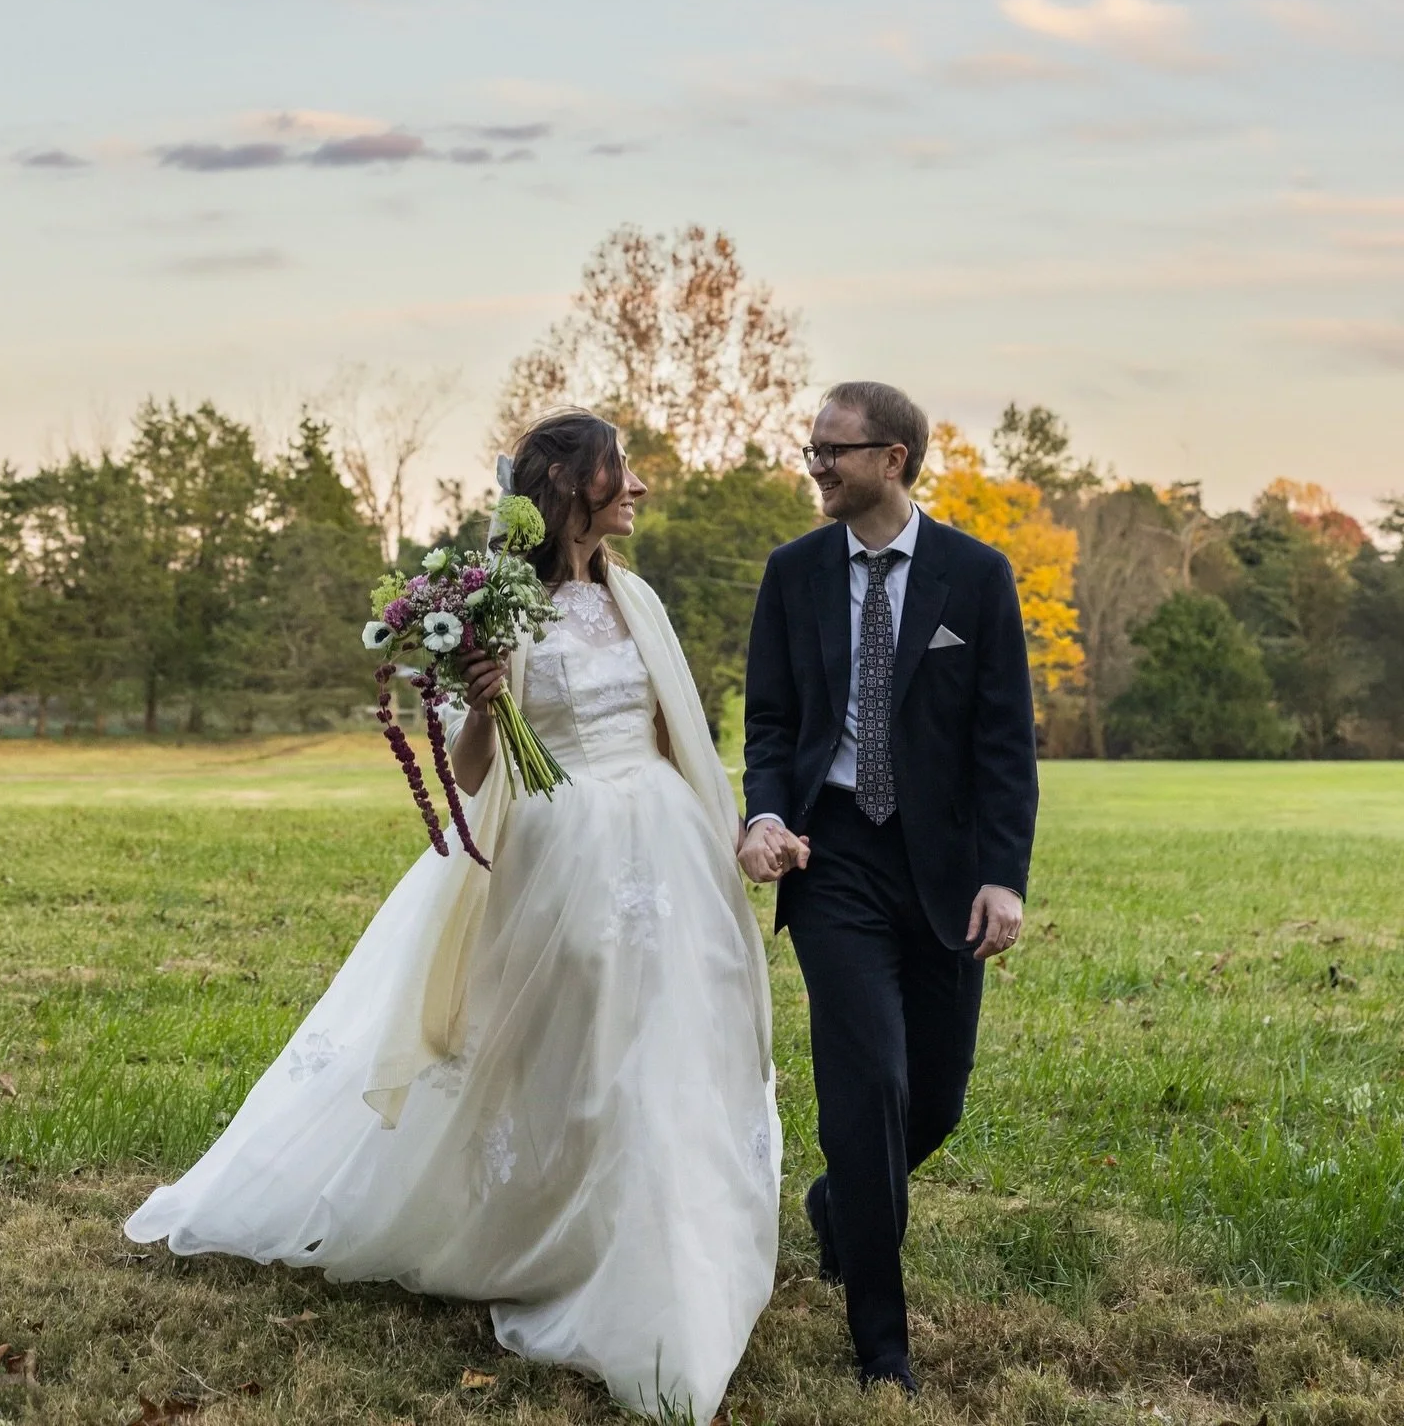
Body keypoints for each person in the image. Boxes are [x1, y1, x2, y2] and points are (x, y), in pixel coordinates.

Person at [126, 409, 780, 1422]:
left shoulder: (637, 599)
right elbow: (473, 771)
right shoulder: (502, 610)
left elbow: (667, 730)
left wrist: (722, 835)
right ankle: (551, 1225)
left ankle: (663, 1243)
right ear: (573, 485)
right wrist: (483, 694)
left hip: (662, 845)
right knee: (580, 1043)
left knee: (665, 1039)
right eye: (625, 470)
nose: (641, 485)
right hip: (559, 845)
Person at [739, 380, 1038, 1395]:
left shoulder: (977, 574)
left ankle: (839, 1205)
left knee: (935, 1097)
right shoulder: (793, 573)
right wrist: (766, 816)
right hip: (835, 860)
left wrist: (1003, 874)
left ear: (896, 457)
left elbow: (1004, 745)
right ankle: (882, 1344)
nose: (815, 462)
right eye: (811, 445)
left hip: (946, 866)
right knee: (865, 1090)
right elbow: (772, 722)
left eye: (834, 447)